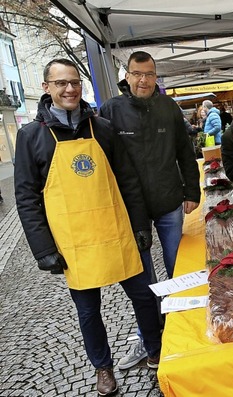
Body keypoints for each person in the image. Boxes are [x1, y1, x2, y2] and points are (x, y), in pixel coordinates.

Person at [14, 58, 163, 396]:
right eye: (61, 83)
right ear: (47, 87)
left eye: (75, 82)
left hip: (116, 231)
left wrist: (140, 225)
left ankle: (154, 350)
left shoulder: (103, 127)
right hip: (74, 242)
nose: (70, 89)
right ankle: (103, 368)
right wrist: (44, 249)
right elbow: (26, 198)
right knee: (88, 311)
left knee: (142, 296)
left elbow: (128, 180)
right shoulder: (30, 137)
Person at [99, 51, 201, 369]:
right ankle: (152, 334)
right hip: (131, 211)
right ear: (127, 76)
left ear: (156, 78)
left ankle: (183, 327)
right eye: (137, 74)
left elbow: (186, 151)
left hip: (170, 202)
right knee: (144, 278)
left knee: (178, 269)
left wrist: (192, 191)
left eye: (150, 74)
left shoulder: (168, 107)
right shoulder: (110, 110)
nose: (144, 80)